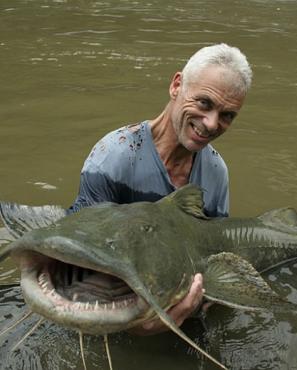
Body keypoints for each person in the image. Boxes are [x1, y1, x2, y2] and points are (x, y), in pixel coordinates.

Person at [69, 43, 252, 334]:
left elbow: (216, 253)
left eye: (227, 115)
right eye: (204, 103)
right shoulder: (113, 157)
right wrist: (135, 324)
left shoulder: (216, 172)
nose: (211, 124)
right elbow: (82, 251)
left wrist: (200, 302)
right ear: (176, 85)